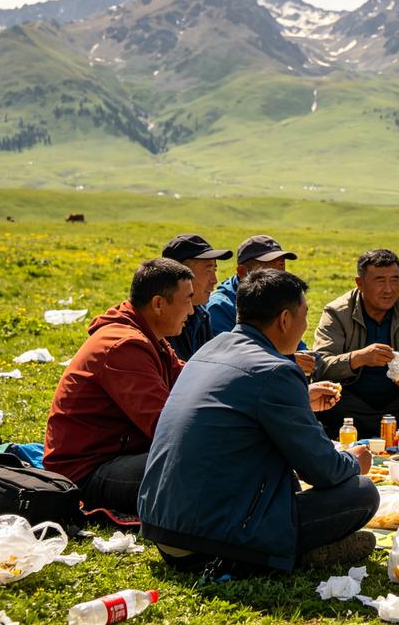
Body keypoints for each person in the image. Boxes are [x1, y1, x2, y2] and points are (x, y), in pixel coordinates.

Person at [139, 269, 379, 574]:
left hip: (164, 528)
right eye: (304, 317)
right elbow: (324, 470)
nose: (304, 329)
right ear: (284, 320)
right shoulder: (277, 370)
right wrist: (354, 461)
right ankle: (284, 554)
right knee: (361, 492)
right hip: (210, 540)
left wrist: (301, 401)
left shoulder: (209, 351)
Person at [43, 258, 193, 512]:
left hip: (117, 455)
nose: (191, 310)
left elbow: (190, 382)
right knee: (196, 463)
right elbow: (164, 426)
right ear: (158, 304)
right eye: (187, 300)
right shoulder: (124, 346)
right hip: (86, 472)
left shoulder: (148, 337)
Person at [311, 249, 399, 438]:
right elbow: (321, 366)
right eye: (380, 281)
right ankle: (392, 427)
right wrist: (358, 358)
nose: (389, 289)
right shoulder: (336, 312)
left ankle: (368, 427)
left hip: (397, 397)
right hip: (352, 396)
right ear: (360, 283)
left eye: (395, 280)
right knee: (326, 396)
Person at [207, 234, 312, 375]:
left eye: (281, 266)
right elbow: (231, 359)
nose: (278, 277)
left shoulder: (280, 298)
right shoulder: (220, 307)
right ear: (242, 272)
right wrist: (288, 359)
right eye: (268, 269)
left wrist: (308, 359)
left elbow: (297, 344)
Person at [161, 234, 232, 361]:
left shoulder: (201, 315)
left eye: (215, 270)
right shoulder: (161, 320)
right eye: (208, 271)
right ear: (182, 275)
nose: (215, 280)